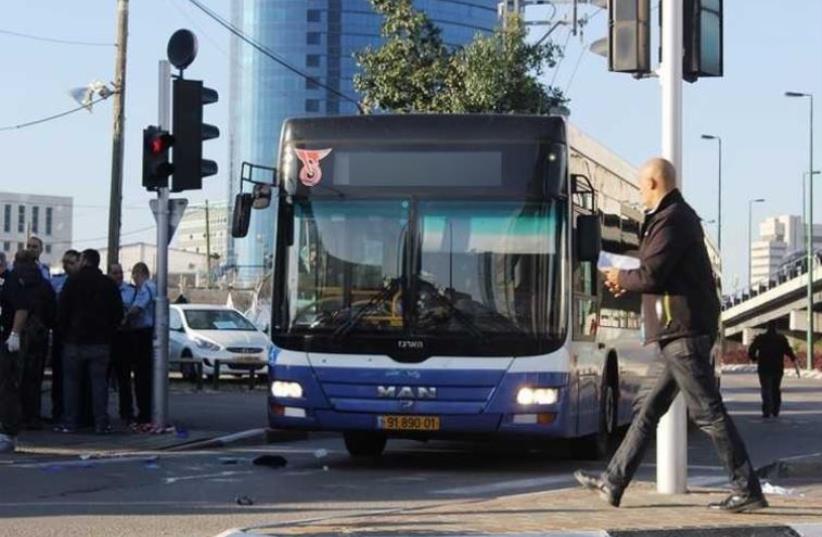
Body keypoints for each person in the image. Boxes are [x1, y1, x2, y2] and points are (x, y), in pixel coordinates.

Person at [573, 158, 767, 513]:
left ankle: (747, 489)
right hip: (675, 333)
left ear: (653, 184)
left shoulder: (673, 218)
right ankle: (613, 482)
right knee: (646, 410)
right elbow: (654, 273)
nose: (638, 193)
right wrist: (626, 279)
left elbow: (652, 275)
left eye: (640, 186)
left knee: (709, 413)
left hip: (684, 333)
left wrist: (620, 278)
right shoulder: (670, 217)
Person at [56, 249, 123, 433]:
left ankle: (71, 422)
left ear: (84, 260)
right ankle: (101, 423)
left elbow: (62, 311)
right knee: (99, 383)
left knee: (71, 383)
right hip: (100, 342)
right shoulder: (108, 284)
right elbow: (118, 313)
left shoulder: (72, 282)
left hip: (74, 341)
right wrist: (109, 332)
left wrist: (64, 333)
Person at [0, 251, 39, 453]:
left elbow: (22, 308)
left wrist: (14, 333)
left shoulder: (11, 281)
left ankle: (8, 433)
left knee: (6, 386)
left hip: (6, 340)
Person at [14, 251, 56, 430]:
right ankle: (33, 416)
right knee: (35, 377)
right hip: (39, 335)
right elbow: (53, 311)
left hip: (15, 334)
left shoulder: (12, 281)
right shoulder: (44, 284)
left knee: (14, 378)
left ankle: (16, 415)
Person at [49, 249, 81, 424]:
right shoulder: (57, 281)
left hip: (75, 334)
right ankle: (58, 411)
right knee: (59, 375)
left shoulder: (81, 283)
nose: (68, 265)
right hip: (61, 332)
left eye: (72, 262)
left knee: (74, 377)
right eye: (66, 262)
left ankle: (73, 413)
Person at [124, 262, 155, 426]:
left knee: (142, 377)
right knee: (144, 376)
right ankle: (146, 412)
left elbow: (138, 308)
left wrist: (125, 318)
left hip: (143, 334)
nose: (133, 280)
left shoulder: (146, 288)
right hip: (146, 334)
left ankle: (144, 414)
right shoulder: (153, 286)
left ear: (138, 273)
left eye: (134, 276)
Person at [748, 321, 798, 418]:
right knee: (775, 388)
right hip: (777, 367)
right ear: (776, 327)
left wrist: (754, 358)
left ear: (767, 327)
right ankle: (775, 409)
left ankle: (766, 410)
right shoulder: (781, 339)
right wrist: (793, 358)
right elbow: (788, 351)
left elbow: (751, 351)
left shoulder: (761, 338)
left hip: (764, 367)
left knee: (766, 388)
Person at [109, 263, 137, 424]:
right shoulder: (105, 290)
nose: (118, 276)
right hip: (109, 336)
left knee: (124, 378)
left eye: (120, 272)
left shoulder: (130, 291)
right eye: (115, 273)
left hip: (124, 336)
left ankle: (126, 412)